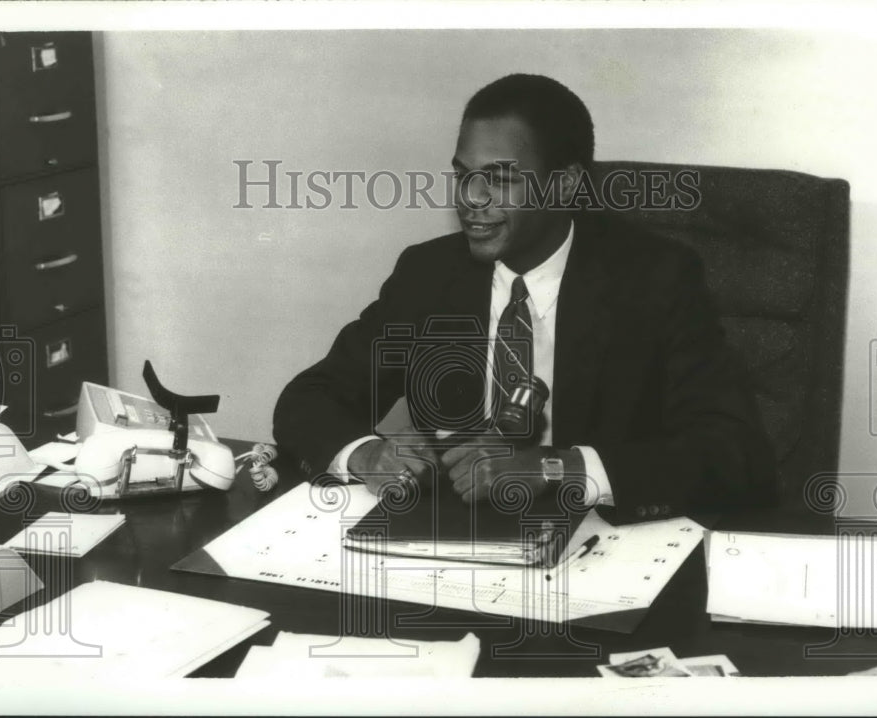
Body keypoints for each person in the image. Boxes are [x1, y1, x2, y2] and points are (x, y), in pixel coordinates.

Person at [273, 73, 776, 523]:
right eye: (463, 174)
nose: (470, 199)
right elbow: (310, 399)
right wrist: (366, 455)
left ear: (566, 185)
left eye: (499, 179)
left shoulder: (654, 279)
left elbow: (736, 453)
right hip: (452, 542)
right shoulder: (428, 275)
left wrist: (559, 466)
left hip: (597, 550)